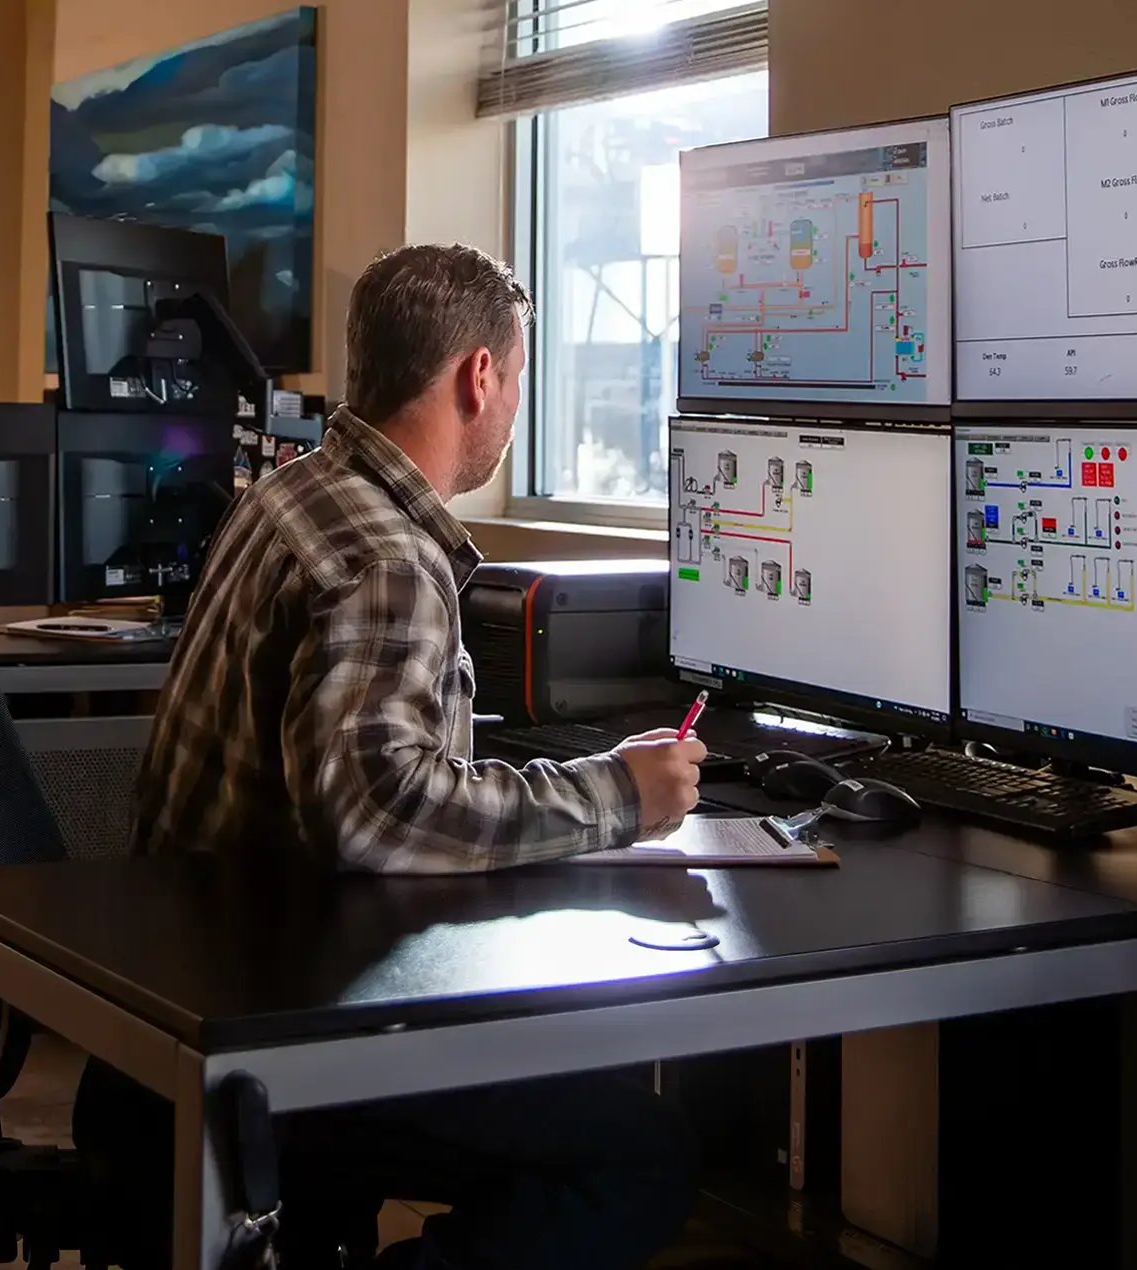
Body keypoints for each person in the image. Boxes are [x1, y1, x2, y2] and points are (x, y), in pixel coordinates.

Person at [115, 243, 706, 1269]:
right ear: (479, 376)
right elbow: (377, 810)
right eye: (516, 379)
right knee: (639, 1151)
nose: (512, 405)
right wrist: (618, 790)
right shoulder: (384, 551)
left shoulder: (289, 496)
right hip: (285, 1034)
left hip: (199, 982)